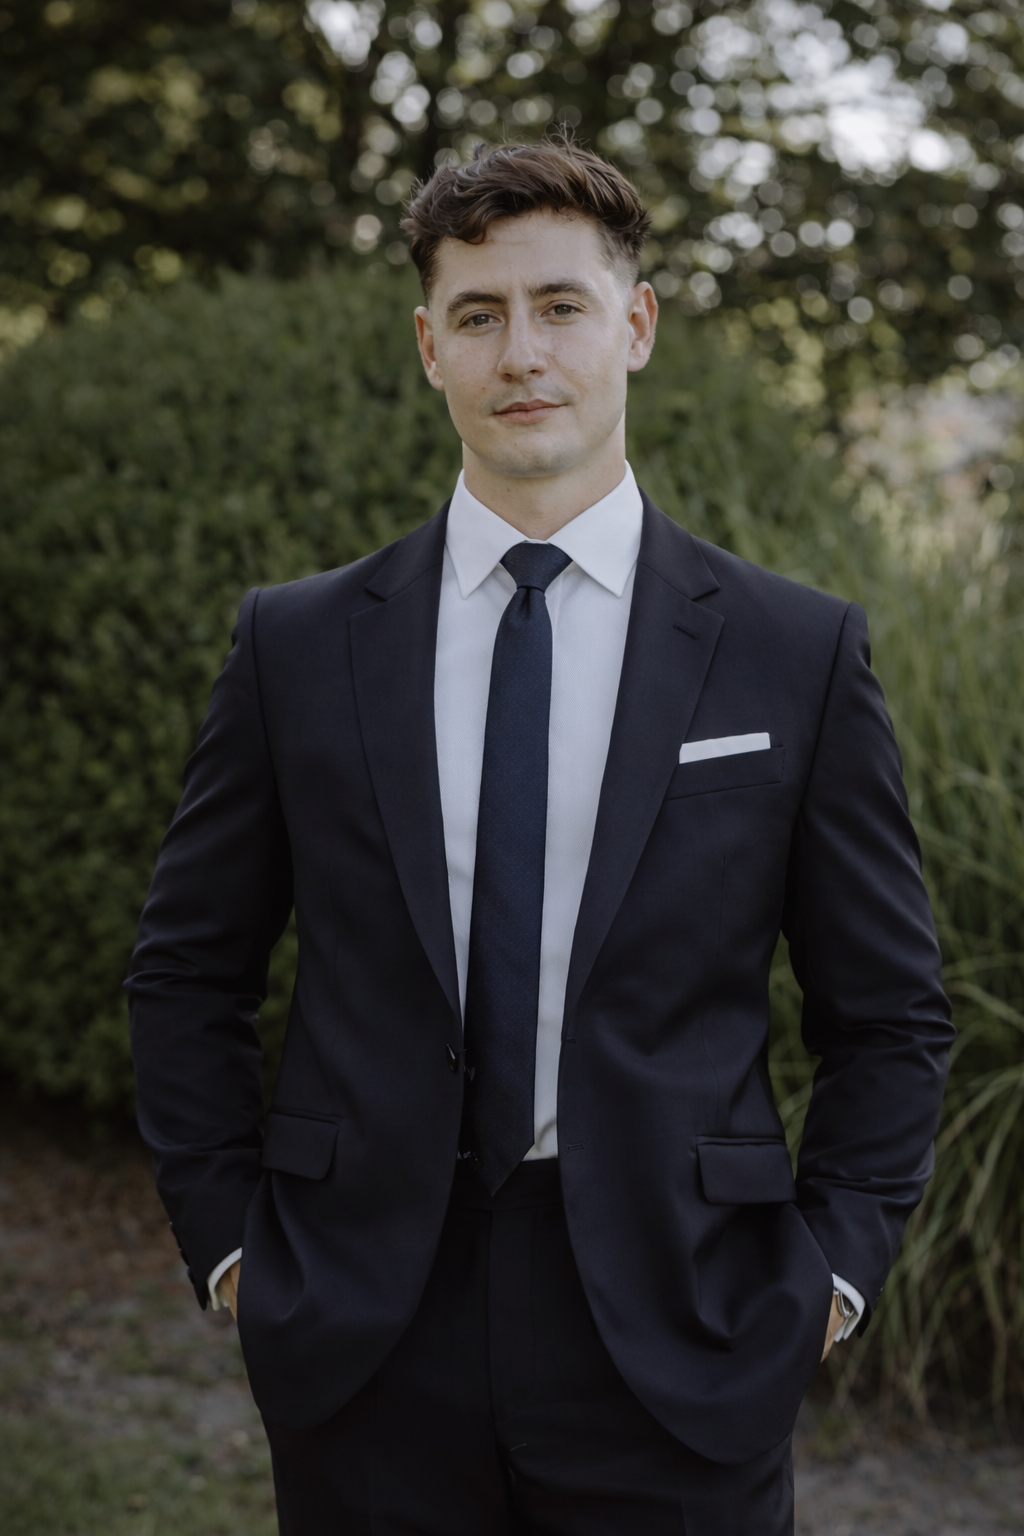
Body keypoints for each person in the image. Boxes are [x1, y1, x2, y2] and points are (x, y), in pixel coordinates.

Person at [127, 139, 953, 1536]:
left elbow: (890, 1016)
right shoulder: (301, 643)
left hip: (686, 1321)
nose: (524, 352)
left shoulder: (792, 652)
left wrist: (826, 1279)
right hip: (366, 1326)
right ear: (429, 347)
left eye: (561, 306)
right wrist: (232, 1255)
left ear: (633, 325)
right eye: (480, 314)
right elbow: (185, 972)